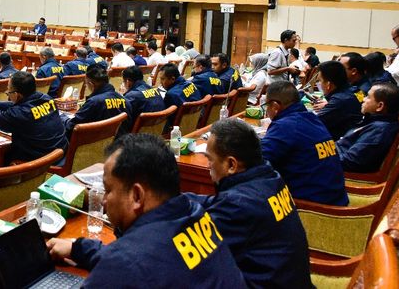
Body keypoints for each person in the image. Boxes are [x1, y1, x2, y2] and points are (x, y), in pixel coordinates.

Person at [46, 134, 246, 288]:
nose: (104, 201)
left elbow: (132, 262)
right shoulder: (195, 213)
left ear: (137, 196)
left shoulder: (125, 265)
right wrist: (78, 248)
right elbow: (154, 261)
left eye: (108, 190)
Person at [184, 119, 312, 289]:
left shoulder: (238, 204)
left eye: (210, 159)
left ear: (231, 164)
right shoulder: (271, 178)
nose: (208, 166)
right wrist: (176, 200)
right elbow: (216, 203)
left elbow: (190, 250)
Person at [261, 81, 348, 206]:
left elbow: (257, 161)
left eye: (266, 106)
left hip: (311, 208)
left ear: (275, 106)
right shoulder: (312, 118)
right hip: (334, 198)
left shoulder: (285, 125)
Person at [0, 71, 68, 163]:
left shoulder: (19, 115)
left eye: (9, 92)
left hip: (40, 162)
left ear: (17, 95)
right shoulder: (46, 98)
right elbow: (22, 106)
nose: (8, 95)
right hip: (59, 155)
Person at [336, 83, 399, 173]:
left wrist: (319, 156)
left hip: (335, 168)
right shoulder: (376, 121)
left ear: (380, 106)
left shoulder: (379, 130)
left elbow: (348, 162)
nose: (363, 99)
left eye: (368, 97)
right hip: (335, 153)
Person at [65, 64, 129, 137]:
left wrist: (64, 119)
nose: (86, 86)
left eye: (86, 83)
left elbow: (71, 127)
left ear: (91, 84)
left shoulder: (94, 102)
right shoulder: (125, 100)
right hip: (119, 143)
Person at [313, 61, 362, 140]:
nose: (319, 84)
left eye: (320, 81)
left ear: (328, 84)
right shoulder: (357, 90)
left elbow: (313, 122)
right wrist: (329, 105)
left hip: (340, 140)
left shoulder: (339, 101)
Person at [121, 66, 164, 134]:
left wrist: (124, 95)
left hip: (138, 138)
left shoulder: (132, 96)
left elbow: (124, 120)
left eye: (123, 81)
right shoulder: (155, 90)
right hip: (157, 134)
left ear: (128, 81)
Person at [161, 63, 202, 129]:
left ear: (173, 79)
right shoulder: (190, 84)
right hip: (196, 121)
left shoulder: (171, 95)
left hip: (180, 128)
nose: (161, 82)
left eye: (162, 79)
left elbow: (167, 118)